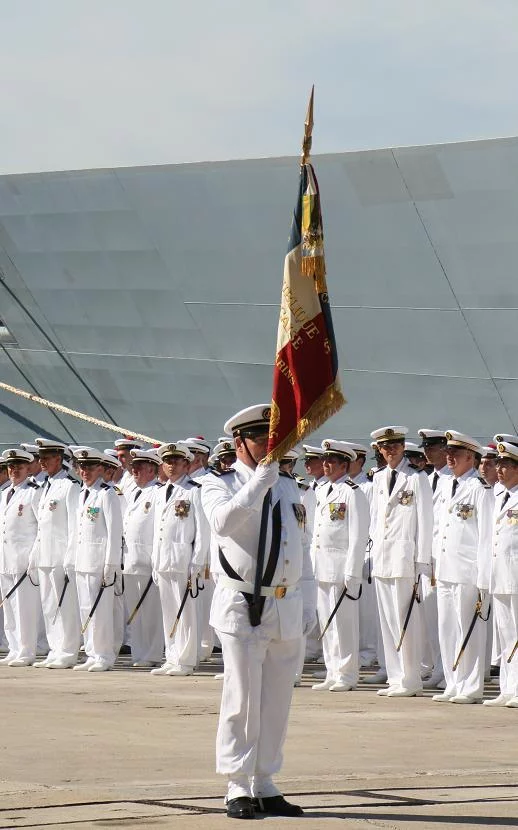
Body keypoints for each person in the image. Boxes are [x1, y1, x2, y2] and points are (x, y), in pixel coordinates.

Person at [201, 405, 316, 819]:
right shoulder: (219, 483)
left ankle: (265, 781)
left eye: (276, 439)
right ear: (239, 443)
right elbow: (222, 523)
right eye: (262, 440)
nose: (272, 447)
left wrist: (309, 601)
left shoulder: (288, 486)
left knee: (277, 700)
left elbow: (300, 546)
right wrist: (257, 486)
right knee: (242, 697)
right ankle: (236, 785)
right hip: (242, 604)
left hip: (285, 603)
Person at [369, 426, 433, 697]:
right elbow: (375, 520)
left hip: (406, 558)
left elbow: (426, 522)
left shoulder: (417, 477)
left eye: (395, 445)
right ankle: (396, 677)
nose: (390, 450)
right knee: (387, 621)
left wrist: (422, 562)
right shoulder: (379, 477)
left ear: (403, 447)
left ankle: (411, 678)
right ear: (380, 450)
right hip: (383, 557)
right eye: (385, 446)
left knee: (406, 618)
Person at [432, 430, 493, 704]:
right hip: (445, 569)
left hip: (468, 571)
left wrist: (483, 578)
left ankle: (471, 686)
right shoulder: (445, 485)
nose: (449, 458)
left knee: (469, 627)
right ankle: (453, 681)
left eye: (455, 454)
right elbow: (438, 529)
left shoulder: (480, 489)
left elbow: (486, 536)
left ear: (470, 457)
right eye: (448, 454)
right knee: (447, 628)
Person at [311, 440, 370, 692]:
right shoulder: (321, 490)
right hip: (321, 566)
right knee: (327, 622)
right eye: (324, 460)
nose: (325, 465)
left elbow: (358, 536)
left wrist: (352, 571)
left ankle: (347, 674)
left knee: (344, 624)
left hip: (341, 567)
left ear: (344, 465)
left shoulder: (352, 492)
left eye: (331, 461)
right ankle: (332, 670)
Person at [151, 442, 209, 677]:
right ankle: (172, 655)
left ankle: (186, 659)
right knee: (169, 611)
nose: (171, 465)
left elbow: (203, 531)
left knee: (186, 612)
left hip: (184, 560)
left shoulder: (194, 490)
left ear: (186, 464)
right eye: (167, 461)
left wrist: (198, 562)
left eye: (176, 461)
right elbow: (158, 530)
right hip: (164, 560)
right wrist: (155, 560)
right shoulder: (160, 491)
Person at [29, 438, 81, 669]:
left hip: (61, 556)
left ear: (59, 459)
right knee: (49, 605)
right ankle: (55, 648)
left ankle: (68, 651)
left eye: (47, 458)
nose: (42, 462)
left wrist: (70, 557)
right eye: (41, 458)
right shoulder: (45, 485)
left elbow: (74, 525)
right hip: (45, 555)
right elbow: (42, 526)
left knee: (65, 605)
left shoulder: (70, 485)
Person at [70, 447, 123, 672]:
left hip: (99, 562)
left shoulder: (107, 494)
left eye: (90, 467)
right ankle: (91, 652)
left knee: (100, 611)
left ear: (100, 468)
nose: (85, 471)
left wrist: (111, 564)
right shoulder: (83, 494)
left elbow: (114, 532)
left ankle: (104, 655)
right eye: (82, 467)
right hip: (83, 560)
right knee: (86, 608)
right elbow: (78, 531)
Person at [483, 441, 518, 707]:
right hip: (501, 574)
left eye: (506, 465)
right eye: (499, 464)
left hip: (516, 575)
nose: (500, 469)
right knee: (505, 634)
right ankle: (507, 687)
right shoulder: (498, 496)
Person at [0, 448, 41, 666]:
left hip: (23, 558)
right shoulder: (5, 493)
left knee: (24, 608)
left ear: (28, 468)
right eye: (11, 467)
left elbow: (41, 527)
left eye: (19, 467)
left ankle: (26, 651)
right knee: (9, 606)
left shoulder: (33, 492)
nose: (14, 470)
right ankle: (14, 647)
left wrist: (34, 557)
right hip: (5, 558)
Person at [123, 449, 164, 667]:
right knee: (135, 612)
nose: (134, 471)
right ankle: (139, 653)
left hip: (147, 561)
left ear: (151, 470)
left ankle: (152, 653)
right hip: (131, 561)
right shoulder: (135, 493)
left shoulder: (157, 492)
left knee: (151, 613)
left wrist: (155, 560)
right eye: (133, 468)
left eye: (138, 468)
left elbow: (159, 530)